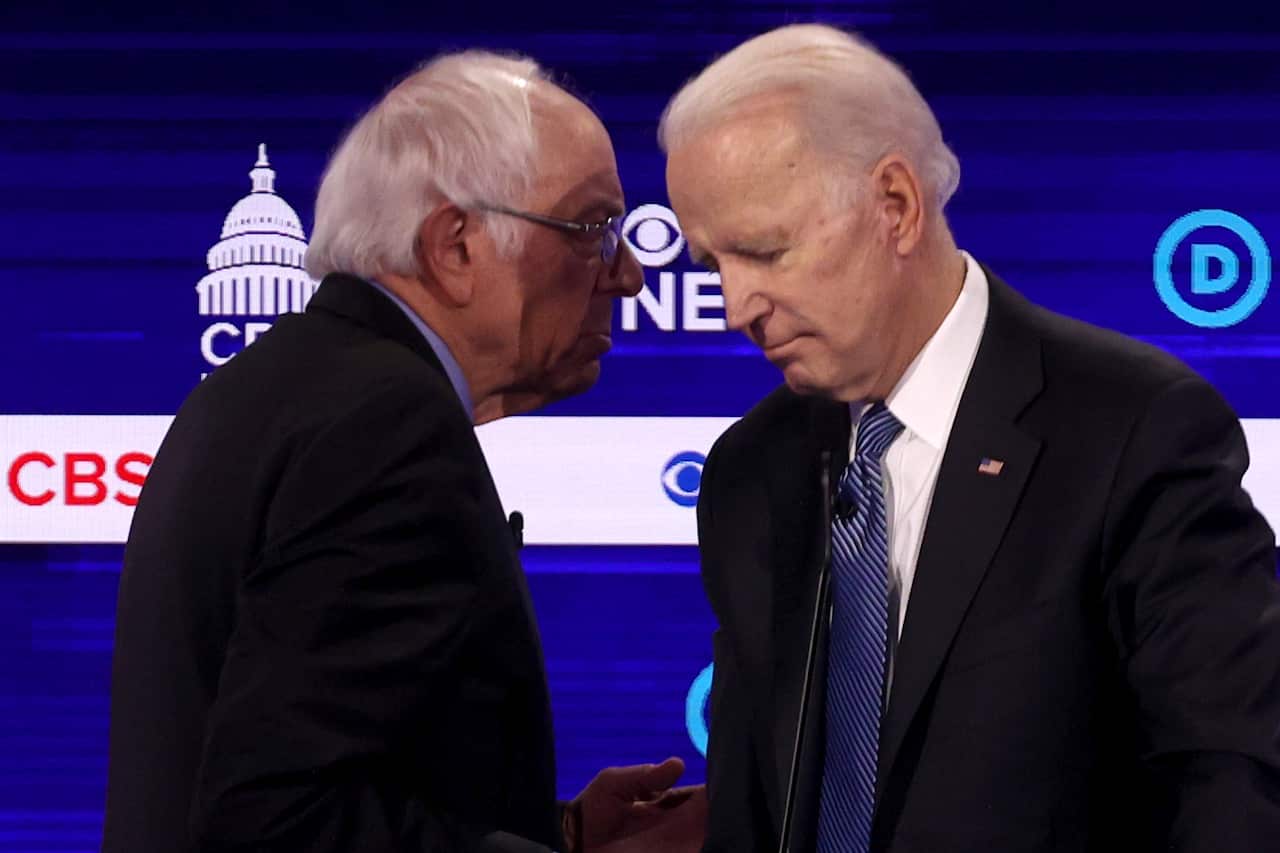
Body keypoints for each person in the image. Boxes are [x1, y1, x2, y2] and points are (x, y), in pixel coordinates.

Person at [660, 22, 1280, 853]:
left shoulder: (1134, 428)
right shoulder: (749, 470)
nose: (737, 305)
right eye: (712, 265)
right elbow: (754, 805)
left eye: (765, 252)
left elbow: (1231, 775)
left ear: (896, 206)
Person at [103, 49, 706, 853]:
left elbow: (302, 765)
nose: (628, 275)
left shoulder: (273, 386)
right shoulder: (384, 422)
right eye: (593, 229)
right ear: (455, 245)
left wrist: (553, 832)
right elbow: (275, 823)